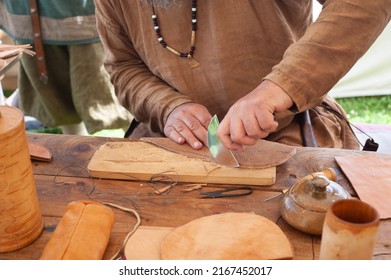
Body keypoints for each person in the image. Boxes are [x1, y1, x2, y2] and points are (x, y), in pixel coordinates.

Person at [94, 0, 391, 150]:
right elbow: (123, 66)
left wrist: (278, 88)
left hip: (289, 130)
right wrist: (168, 107)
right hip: (175, 139)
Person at [0, 0, 133, 135]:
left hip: (83, 17)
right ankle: (77, 149)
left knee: (114, 98)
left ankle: (138, 145)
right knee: (57, 101)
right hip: (26, 13)